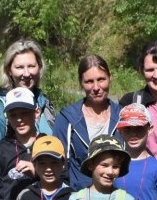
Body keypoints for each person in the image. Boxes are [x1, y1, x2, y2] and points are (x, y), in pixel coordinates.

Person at [0, 39, 56, 195]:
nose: (26, 74)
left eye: (31, 66)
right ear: (9, 71)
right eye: (19, 67)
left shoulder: (44, 103)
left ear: (39, 68)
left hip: (44, 198)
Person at [53, 55, 123, 190]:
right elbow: (59, 164)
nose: (96, 87)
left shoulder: (122, 117)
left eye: (101, 79)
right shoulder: (67, 119)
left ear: (110, 78)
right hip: (79, 197)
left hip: (117, 197)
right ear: (81, 83)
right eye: (89, 81)